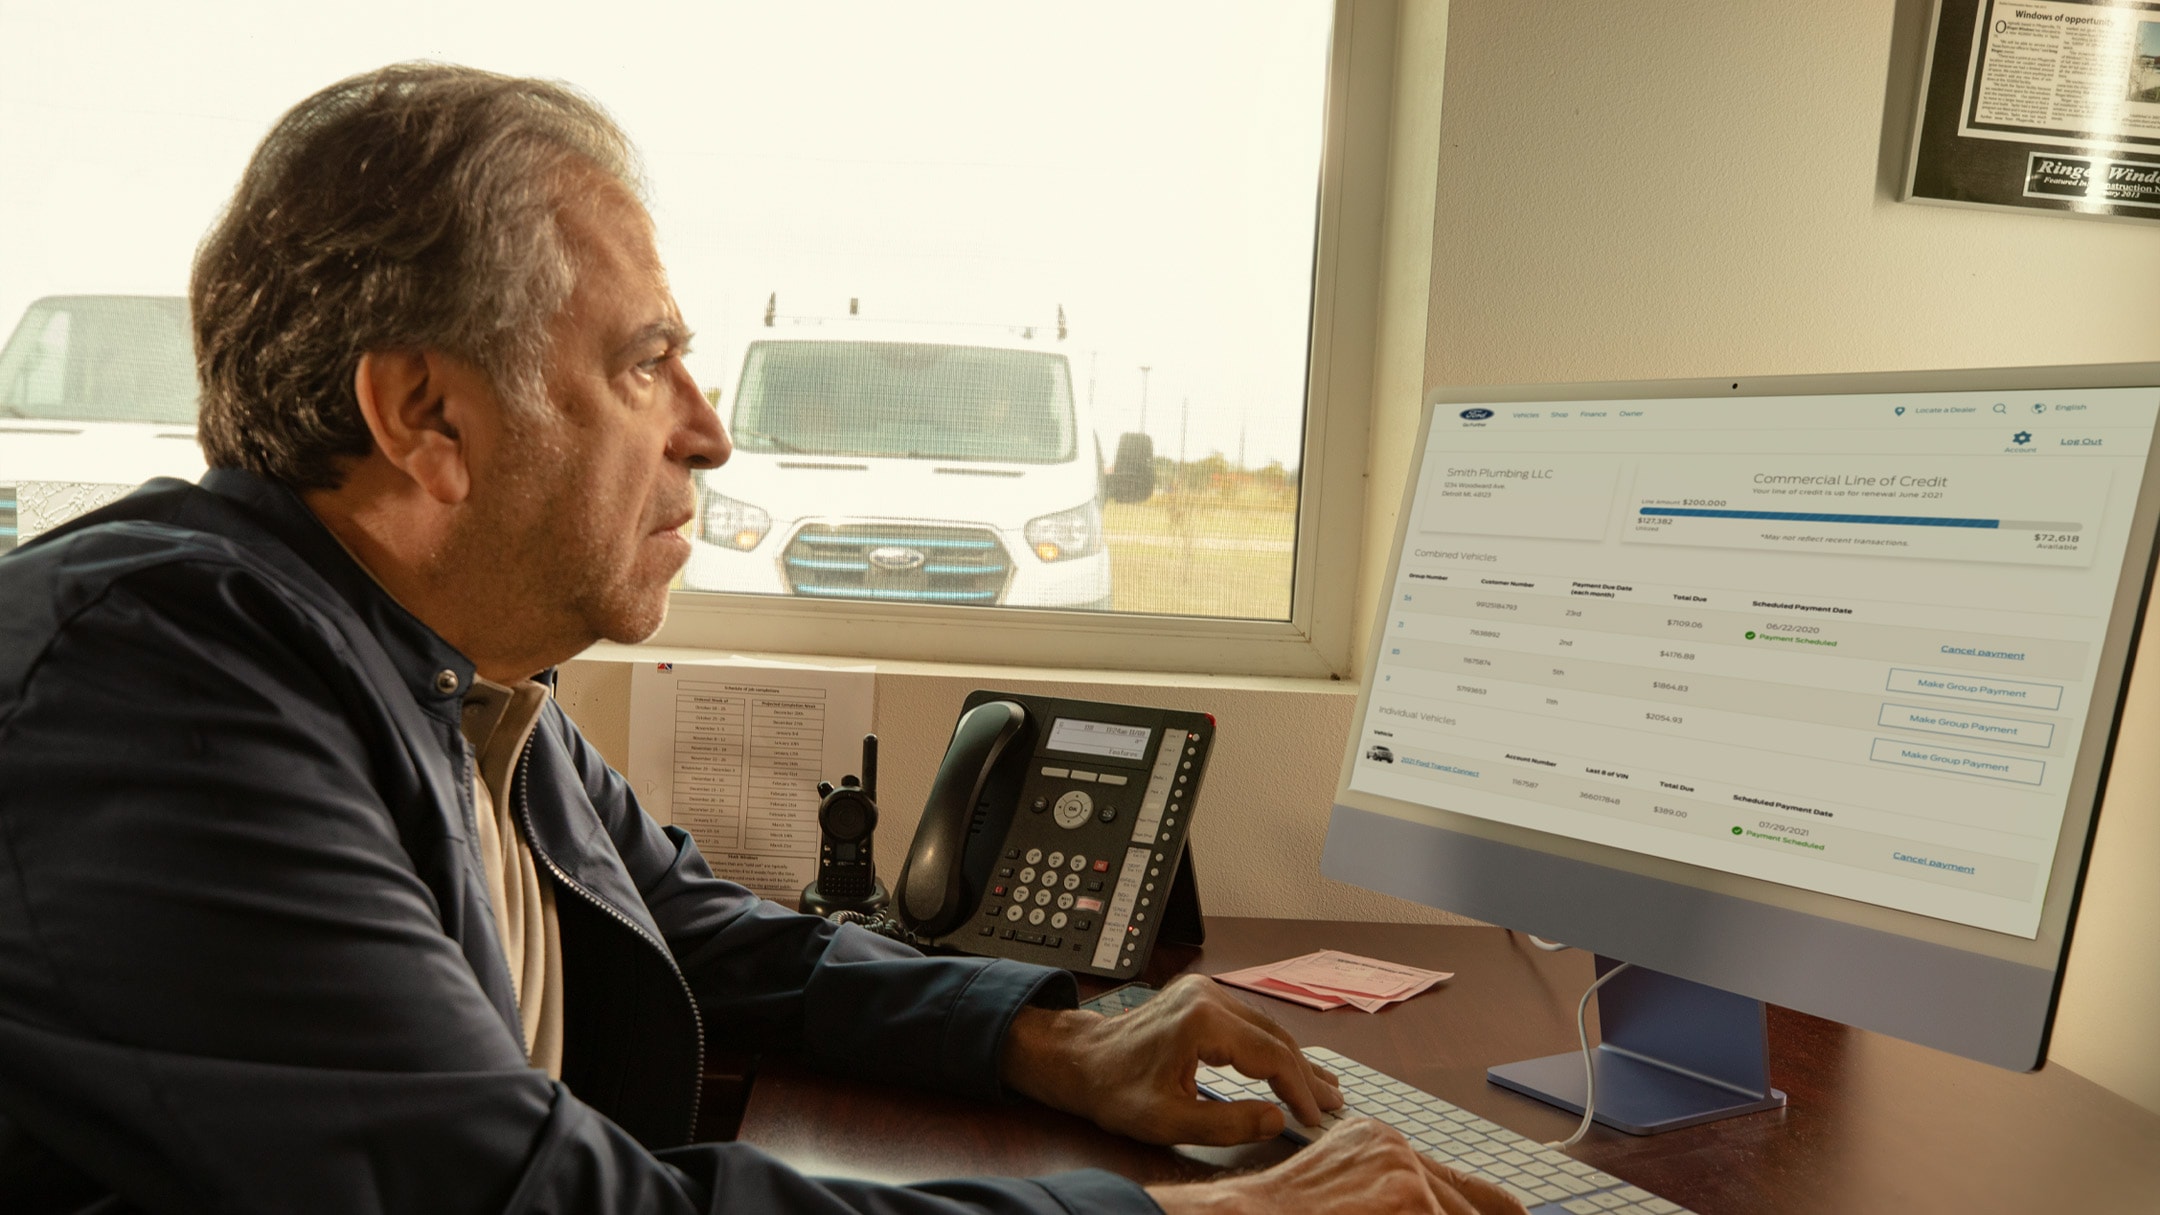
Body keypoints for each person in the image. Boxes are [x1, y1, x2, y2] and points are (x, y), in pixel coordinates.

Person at [0, 64, 1522, 1215]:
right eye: (647, 359)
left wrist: (1041, 1040)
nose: (712, 433)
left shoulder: (445, 668)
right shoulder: (164, 690)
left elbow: (691, 926)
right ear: (426, 417)